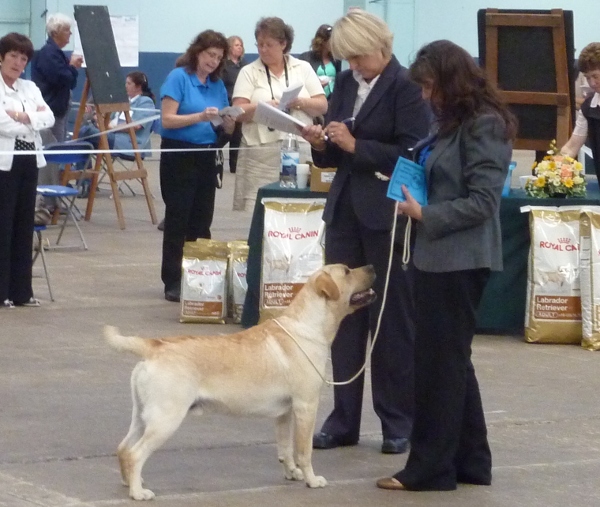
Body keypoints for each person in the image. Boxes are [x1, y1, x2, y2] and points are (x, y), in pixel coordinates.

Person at [375, 40, 516, 492]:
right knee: (454, 361)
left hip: (460, 260)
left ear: (452, 81)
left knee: (437, 366)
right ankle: (472, 461)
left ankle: (430, 469)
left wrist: (425, 215)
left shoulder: (486, 126)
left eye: (431, 86)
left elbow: (483, 202)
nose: (425, 96)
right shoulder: (450, 125)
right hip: (437, 256)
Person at [300, 10, 430, 454]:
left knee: (391, 320)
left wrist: (358, 146)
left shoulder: (408, 87)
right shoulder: (343, 84)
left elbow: (413, 151)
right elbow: (336, 158)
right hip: (345, 215)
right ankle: (342, 419)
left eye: (357, 57)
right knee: (341, 318)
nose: (352, 66)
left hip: (387, 215)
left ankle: (398, 421)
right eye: (346, 59)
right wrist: (322, 146)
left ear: (381, 47)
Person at [159, 30, 235, 303]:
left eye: (218, 57)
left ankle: (201, 275)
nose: (213, 61)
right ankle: (173, 280)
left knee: (203, 218)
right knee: (178, 217)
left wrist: (228, 124)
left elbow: (221, 122)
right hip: (179, 155)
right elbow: (167, 120)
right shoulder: (179, 77)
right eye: (209, 55)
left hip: (207, 154)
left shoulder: (217, 85)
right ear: (197, 53)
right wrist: (200, 116)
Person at [232, 17, 327, 211]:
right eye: (259, 45)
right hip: (260, 152)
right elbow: (238, 111)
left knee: (299, 207)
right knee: (259, 208)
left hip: (300, 148)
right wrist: (263, 106)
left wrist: (301, 103)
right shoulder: (249, 71)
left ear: (284, 44)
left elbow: (322, 106)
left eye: (269, 45)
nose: (263, 49)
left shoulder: (303, 68)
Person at [0, 33, 55, 308]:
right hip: (3, 164)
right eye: (13, 56)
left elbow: (48, 118)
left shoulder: (30, 87)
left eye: (23, 58)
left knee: (24, 225)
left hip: (29, 161)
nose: (18, 62)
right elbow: (2, 124)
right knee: (3, 225)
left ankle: (22, 292)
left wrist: (25, 117)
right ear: (2, 57)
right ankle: (1, 292)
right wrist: (31, 122)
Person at [31, 13, 82, 142]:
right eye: (66, 30)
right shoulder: (49, 53)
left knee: (60, 143)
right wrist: (72, 67)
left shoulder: (56, 53)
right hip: (51, 109)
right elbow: (63, 79)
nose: (70, 33)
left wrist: (71, 68)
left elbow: (71, 83)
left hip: (58, 109)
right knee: (55, 147)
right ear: (55, 32)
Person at [561, 42, 600, 183]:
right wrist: (552, 169)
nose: (592, 83)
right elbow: (571, 148)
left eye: (595, 76)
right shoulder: (588, 107)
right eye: (587, 77)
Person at [221, 35, 248, 174]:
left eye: (241, 45)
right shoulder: (224, 66)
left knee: (238, 136)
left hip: (242, 104)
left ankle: (234, 165)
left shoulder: (245, 65)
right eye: (237, 45)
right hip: (228, 102)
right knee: (227, 134)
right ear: (230, 47)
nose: (239, 47)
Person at [299, 24, 341, 99]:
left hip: (333, 99)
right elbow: (300, 82)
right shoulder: (305, 58)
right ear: (322, 42)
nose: (334, 44)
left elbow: (339, 80)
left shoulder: (336, 59)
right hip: (313, 98)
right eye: (332, 41)